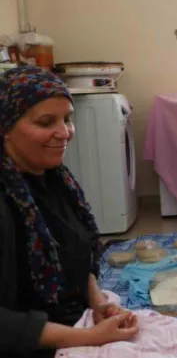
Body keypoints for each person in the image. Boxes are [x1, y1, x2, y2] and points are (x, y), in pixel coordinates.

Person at [0, 67, 139, 358]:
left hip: (74, 322)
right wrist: (89, 337)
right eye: (45, 122)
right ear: (5, 128)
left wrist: (97, 302)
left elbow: (76, 255)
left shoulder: (56, 180)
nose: (64, 133)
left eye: (67, 119)